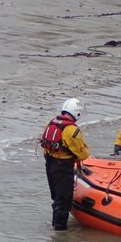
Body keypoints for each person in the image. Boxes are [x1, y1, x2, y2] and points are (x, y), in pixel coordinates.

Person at [40, 98, 89, 231]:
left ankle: (55, 224)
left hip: (49, 164)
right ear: (77, 113)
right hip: (63, 167)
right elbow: (83, 154)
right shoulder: (71, 130)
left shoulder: (51, 123)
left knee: (56, 198)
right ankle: (60, 231)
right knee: (63, 201)